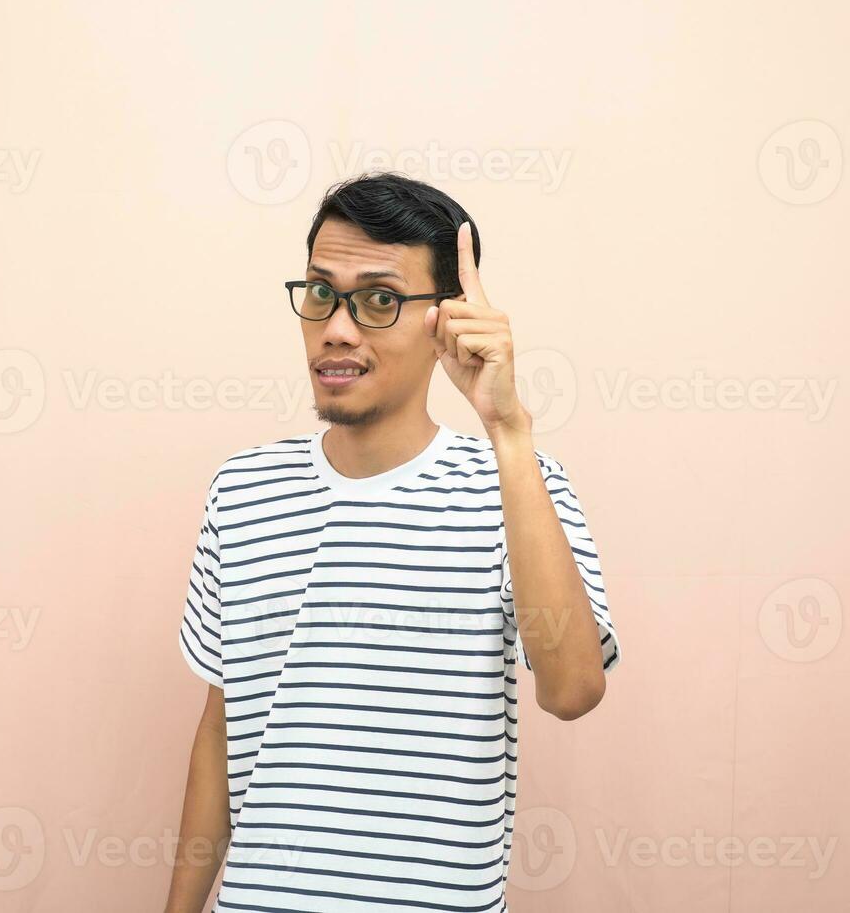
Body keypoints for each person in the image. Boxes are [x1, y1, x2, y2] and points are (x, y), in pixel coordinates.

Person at [165, 172, 621, 913]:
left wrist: (509, 429)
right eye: (320, 293)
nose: (337, 328)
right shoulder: (241, 490)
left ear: (446, 322)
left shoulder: (518, 485)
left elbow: (572, 690)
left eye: (380, 299)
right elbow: (221, 728)